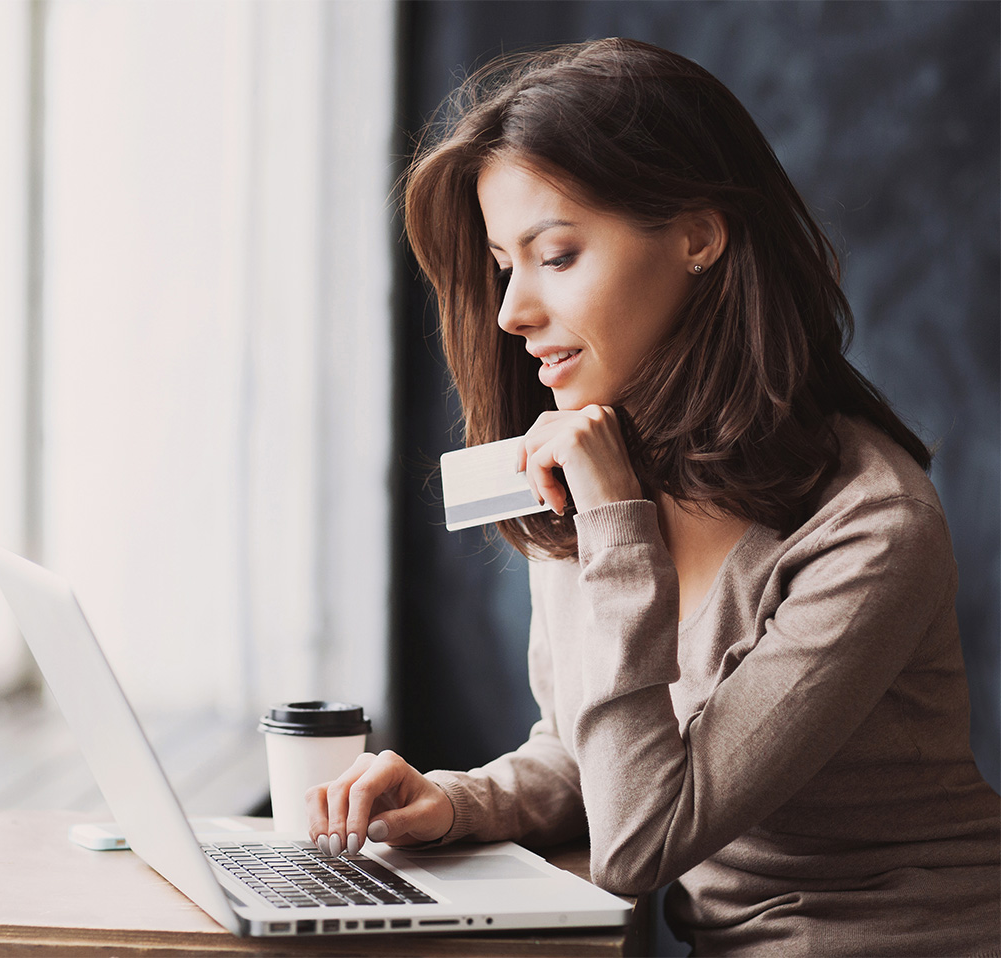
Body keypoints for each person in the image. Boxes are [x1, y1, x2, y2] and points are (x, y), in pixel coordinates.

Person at [306, 38, 1001, 955]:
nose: (511, 311)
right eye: (500, 264)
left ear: (698, 236)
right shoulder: (598, 461)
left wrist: (615, 528)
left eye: (555, 256)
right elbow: (594, 751)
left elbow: (641, 838)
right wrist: (458, 801)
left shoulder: (871, 526)